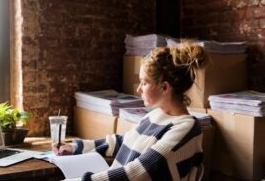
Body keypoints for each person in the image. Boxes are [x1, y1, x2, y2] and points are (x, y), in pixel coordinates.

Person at [53, 40, 209, 181]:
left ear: (165, 87)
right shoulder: (155, 115)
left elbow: (141, 171)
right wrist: (75, 147)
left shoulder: (186, 129)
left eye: (144, 83)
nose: (139, 89)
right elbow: (123, 142)